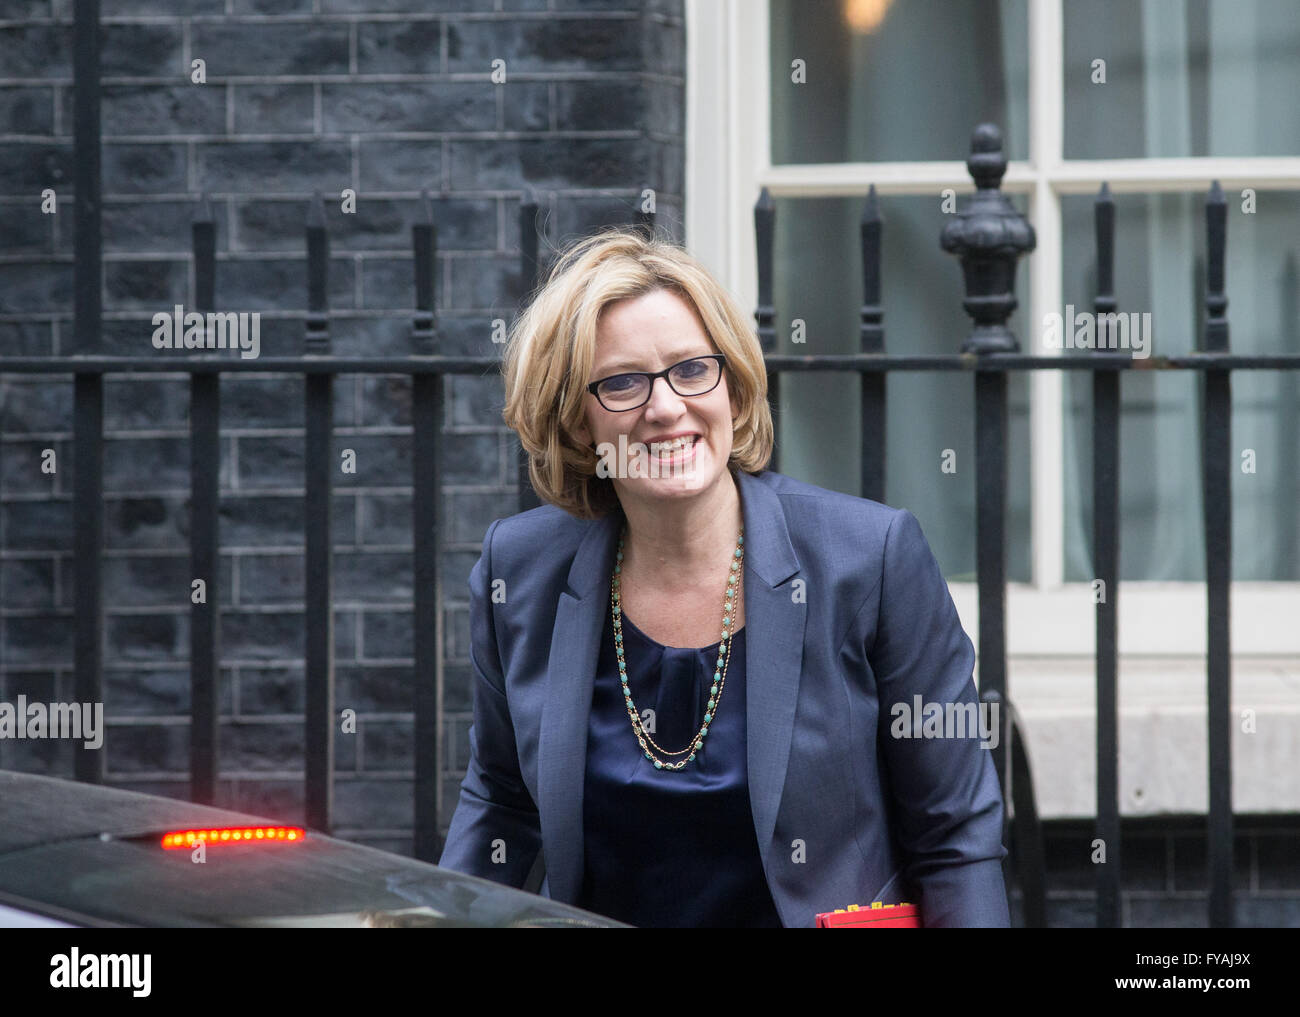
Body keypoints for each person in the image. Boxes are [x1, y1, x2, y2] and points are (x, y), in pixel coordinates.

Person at [437, 227, 1010, 927]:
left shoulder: (873, 560)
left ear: (733, 389)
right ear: (577, 420)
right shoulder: (518, 569)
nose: (666, 407)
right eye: (622, 382)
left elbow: (955, 838)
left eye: (691, 370)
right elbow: (500, 797)